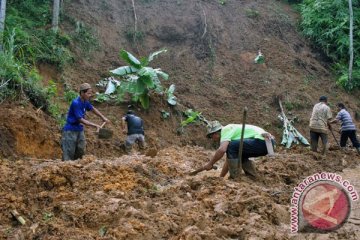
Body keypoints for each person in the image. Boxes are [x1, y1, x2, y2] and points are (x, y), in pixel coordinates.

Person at [201, 121, 274, 178]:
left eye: (211, 137)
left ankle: (235, 178)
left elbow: (222, 150)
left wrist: (210, 164)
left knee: (230, 146)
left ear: (215, 133)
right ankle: (252, 176)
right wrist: (221, 178)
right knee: (239, 153)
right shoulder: (232, 133)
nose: (213, 139)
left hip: (264, 141)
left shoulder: (225, 129)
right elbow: (229, 160)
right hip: (269, 144)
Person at [61, 83, 109, 160]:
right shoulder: (76, 103)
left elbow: (92, 109)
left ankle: (76, 166)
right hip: (70, 130)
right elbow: (80, 119)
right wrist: (95, 125)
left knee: (81, 149)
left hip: (79, 129)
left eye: (91, 93)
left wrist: (103, 117)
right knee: (69, 151)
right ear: (82, 93)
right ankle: (66, 166)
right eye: (88, 93)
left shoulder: (85, 101)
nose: (90, 95)